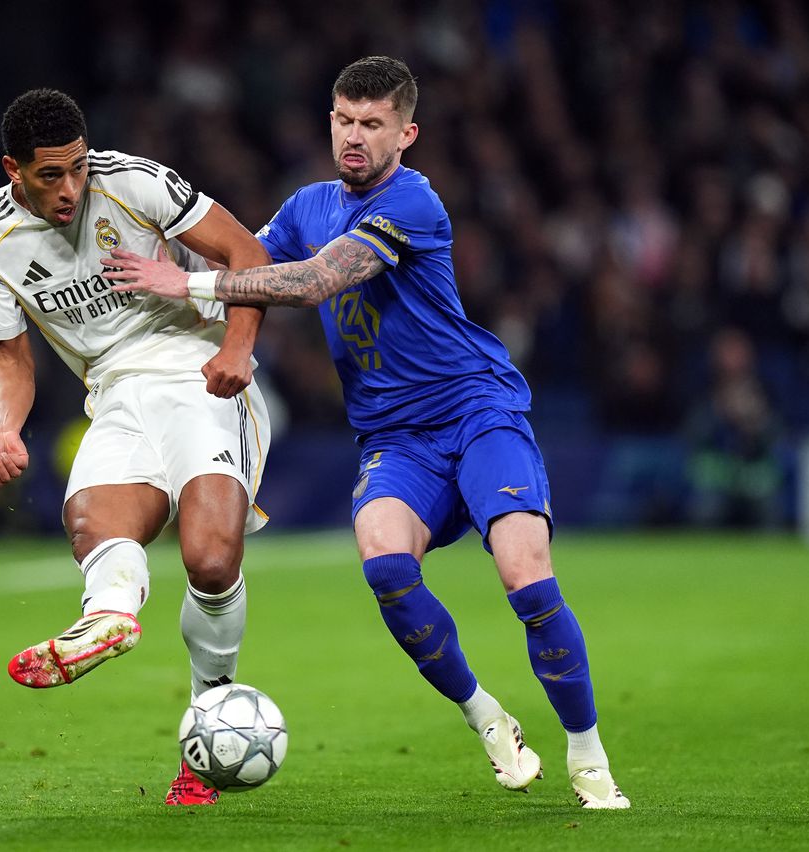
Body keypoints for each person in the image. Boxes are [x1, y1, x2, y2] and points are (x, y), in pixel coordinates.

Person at [105, 56, 630, 809]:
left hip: (475, 411)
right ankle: (487, 717)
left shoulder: (413, 202)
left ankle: (587, 755)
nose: (355, 136)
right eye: (345, 120)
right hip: (394, 437)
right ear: (330, 121)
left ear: (406, 134)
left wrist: (186, 281)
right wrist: (163, 256)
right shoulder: (308, 205)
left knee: (525, 574)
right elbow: (246, 261)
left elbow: (314, 280)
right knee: (385, 565)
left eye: (373, 124)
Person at [0, 88, 273, 806]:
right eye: (50, 175)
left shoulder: (135, 181)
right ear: (13, 169)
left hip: (198, 370)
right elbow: (9, 357)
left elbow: (246, 253)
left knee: (211, 560)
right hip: (114, 391)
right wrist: (3, 427)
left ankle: (203, 731)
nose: (71, 188)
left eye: (77, 168)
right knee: (93, 524)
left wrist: (237, 347)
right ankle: (107, 620)